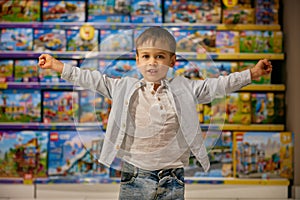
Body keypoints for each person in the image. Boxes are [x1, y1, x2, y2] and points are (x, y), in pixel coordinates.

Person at [38, 27, 272, 200]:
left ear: (172, 61)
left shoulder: (185, 88)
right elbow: (92, 79)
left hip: (173, 175)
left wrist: (251, 73)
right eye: (147, 57)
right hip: (134, 173)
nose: (153, 63)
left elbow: (219, 85)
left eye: (160, 57)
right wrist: (59, 66)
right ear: (137, 60)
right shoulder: (124, 87)